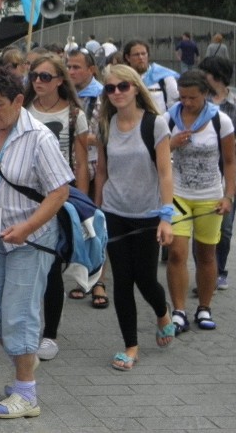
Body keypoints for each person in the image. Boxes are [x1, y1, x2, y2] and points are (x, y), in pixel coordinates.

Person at [0, 66, 73, 419]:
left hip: (31, 239)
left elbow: (59, 192)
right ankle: (26, 359)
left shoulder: (40, 138)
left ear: (19, 101)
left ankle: (26, 392)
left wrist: (27, 227)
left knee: (19, 314)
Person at [94, 66, 175, 371]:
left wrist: (166, 216)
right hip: (114, 211)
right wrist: (97, 212)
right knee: (123, 281)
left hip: (147, 213)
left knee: (146, 279)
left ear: (136, 88)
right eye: (110, 88)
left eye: (122, 86)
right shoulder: (105, 123)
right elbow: (101, 171)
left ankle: (162, 310)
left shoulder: (155, 124)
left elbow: (166, 173)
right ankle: (131, 346)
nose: (116, 92)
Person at [24, 54, 90, 361]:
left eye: (45, 77)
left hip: (58, 197)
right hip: (23, 196)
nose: (38, 81)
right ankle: (25, 327)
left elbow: (81, 164)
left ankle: (49, 334)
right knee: (25, 264)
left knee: (52, 267)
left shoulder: (75, 114)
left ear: (60, 81)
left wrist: (82, 205)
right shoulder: (22, 108)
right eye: (35, 75)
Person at [164, 70, 236, 335]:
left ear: (205, 94)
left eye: (192, 97)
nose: (186, 102)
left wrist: (228, 196)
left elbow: (229, 162)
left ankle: (204, 307)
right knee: (177, 253)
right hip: (178, 195)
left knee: (206, 254)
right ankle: (179, 311)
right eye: (182, 97)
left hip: (210, 197)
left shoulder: (221, 121)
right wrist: (171, 143)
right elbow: (158, 155)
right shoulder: (169, 118)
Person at [197, 56, 236, 290]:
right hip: (202, 171)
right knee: (203, 225)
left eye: (205, 73)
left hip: (227, 172)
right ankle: (204, 273)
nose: (202, 77)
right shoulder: (200, 102)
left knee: (225, 227)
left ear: (216, 76)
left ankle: (219, 269)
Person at [66, 47, 110, 308]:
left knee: (95, 226)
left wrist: (78, 135)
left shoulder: (103, 95)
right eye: (68, 67)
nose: (71, 72)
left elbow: (105, 135)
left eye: (76, 67)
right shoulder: (65, 95)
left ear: (91, 70)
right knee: (75, 227)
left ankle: (99, 281)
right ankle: (80, 277)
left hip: (95, 166)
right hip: (68, 168)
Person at [123, 39, 179, 114]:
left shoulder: (164, 76)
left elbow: (173, 105)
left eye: (143, 54)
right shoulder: (122, 78)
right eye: (136, 54)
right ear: (128, 57)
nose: (141, 57)